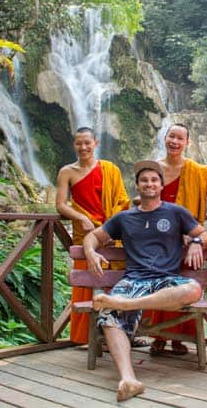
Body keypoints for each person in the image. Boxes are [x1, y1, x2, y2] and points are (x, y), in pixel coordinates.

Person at [83, 160, 207, 402]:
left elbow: (205, 233)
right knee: (108, 313)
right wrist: (91, 252)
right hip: (134, 279)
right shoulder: (124, 218)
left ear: (162, 185)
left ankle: (127, 305)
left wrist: (196, 243)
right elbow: (93, 236)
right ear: (137, 186)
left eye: (154, 180)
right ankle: (128, 379)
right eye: (144, 180)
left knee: (193, 289)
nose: (149, 184)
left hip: (166, 279)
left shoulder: (176, 212)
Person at [55, 127, 131, 345]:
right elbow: (60, 204)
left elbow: (122, 201)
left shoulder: (110, 169)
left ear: (96, 143)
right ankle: (85, 337)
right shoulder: (67, 171)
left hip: (110, 234)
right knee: (85, 283)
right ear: (74, 145)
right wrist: (80, 217)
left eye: (87, 142)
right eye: (79, 143)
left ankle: (116, 335)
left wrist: (111, 226)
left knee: (113, 285)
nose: (84, 147)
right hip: (85, 234)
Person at [148, 123, 207, 356]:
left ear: (187, 143)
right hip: (157, 238)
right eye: (171, 136)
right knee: (158, 282)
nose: (175, 142)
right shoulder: (153, 168)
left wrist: (193, 235)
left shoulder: (197, 171)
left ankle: (179, 338)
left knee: (182, 284)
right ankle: (157, 336)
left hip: (187, 239)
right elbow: (144, 200)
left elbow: (200, 201)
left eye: (180, 138)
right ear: (164, 138)